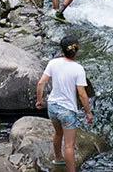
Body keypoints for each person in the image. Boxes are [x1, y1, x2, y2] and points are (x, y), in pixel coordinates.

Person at [35, 36, 94, 172]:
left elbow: (41, 83)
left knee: (58, 134)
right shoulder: (78, 69)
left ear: (62, 50)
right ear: (76, 50)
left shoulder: (53, 63)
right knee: (69, 145)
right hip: (67, 111)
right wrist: (88, 112)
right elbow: (82, 94)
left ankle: (58, 159)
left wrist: (39, 100)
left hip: (52, 107)